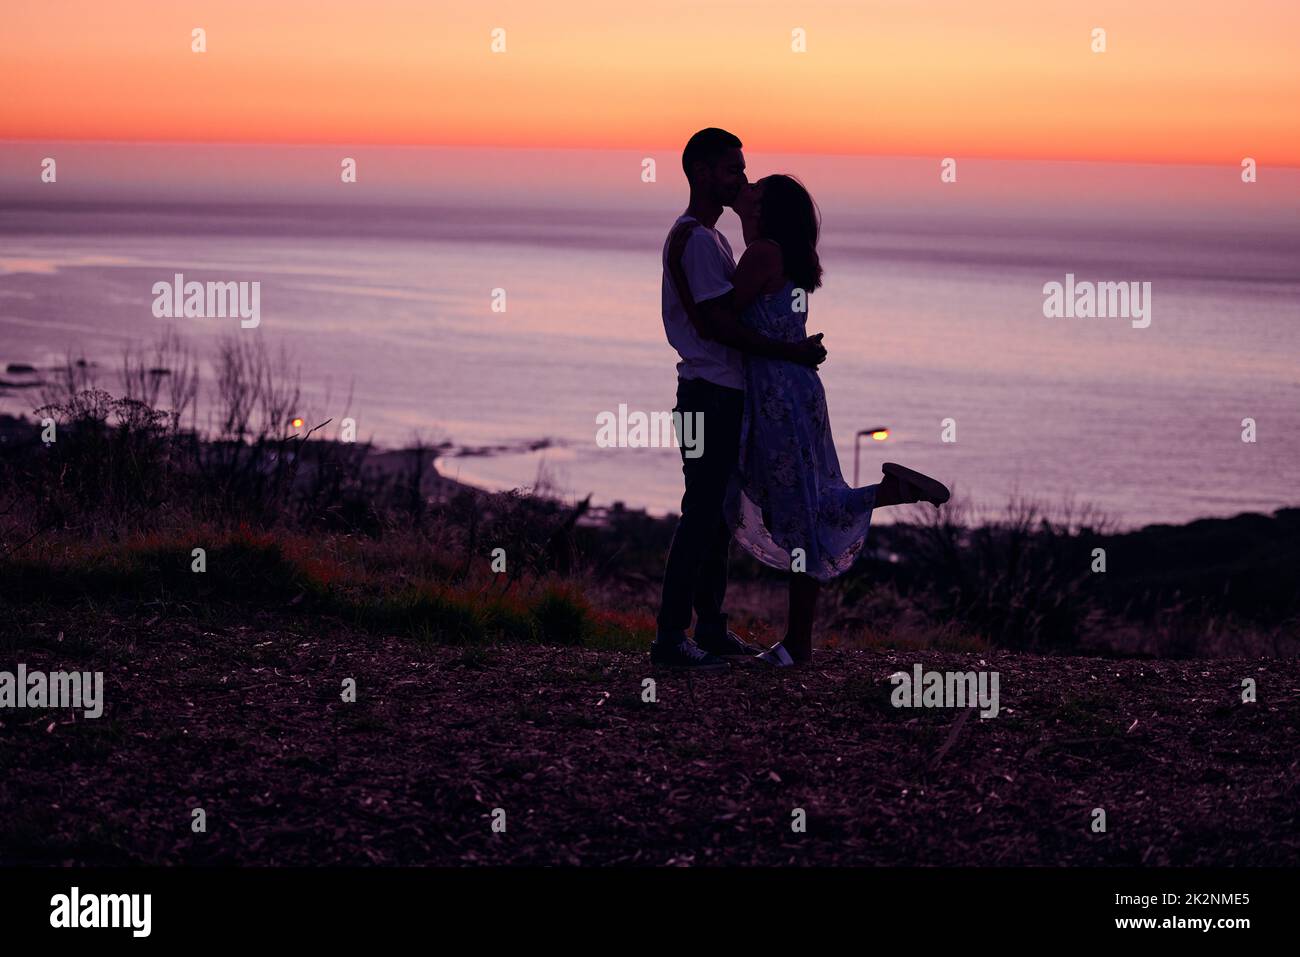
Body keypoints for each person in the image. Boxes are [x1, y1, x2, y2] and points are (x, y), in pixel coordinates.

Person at [665, 172, 951, 667]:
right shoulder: (781, 253)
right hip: (796, 391)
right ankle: (888, 494)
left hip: (775, 395)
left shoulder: (761, 254)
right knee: (795, 501)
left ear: (765, 208)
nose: (745, 186)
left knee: (795, 512)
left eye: (754, 188)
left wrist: (684, 301)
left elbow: (721, 319)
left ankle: (794, 644)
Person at [650, 128, 829, 672]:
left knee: (717, 514)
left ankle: (709, 628)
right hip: (708, 392)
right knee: (701, 512)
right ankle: (670, 639)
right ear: (701, 173)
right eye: (732, 170)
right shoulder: (698, 240)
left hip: (725, 392)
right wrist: (789, 351)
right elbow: (716, 324)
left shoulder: (717, 240)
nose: (742, 179)